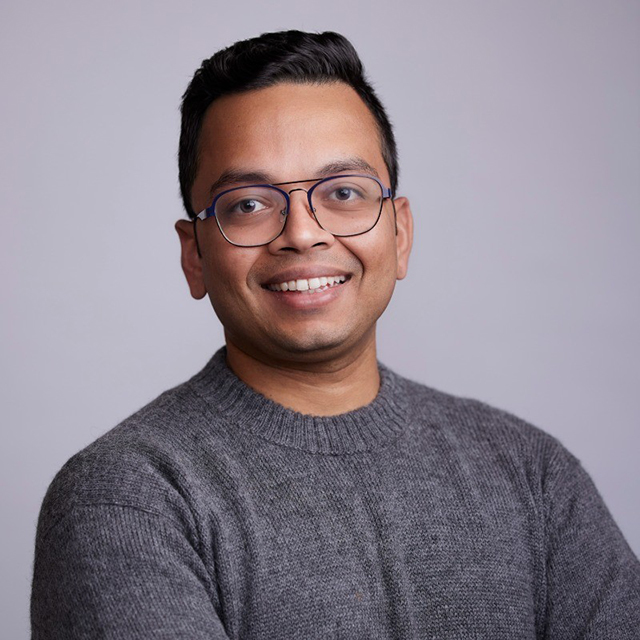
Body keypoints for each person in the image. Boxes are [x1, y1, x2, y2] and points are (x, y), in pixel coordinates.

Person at [31, 30, 639, 639]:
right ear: (195, 256)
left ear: (400, 234)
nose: (302, 233)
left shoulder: (532, 474)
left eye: (344, 192)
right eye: (248, 204)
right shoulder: (127, 498)